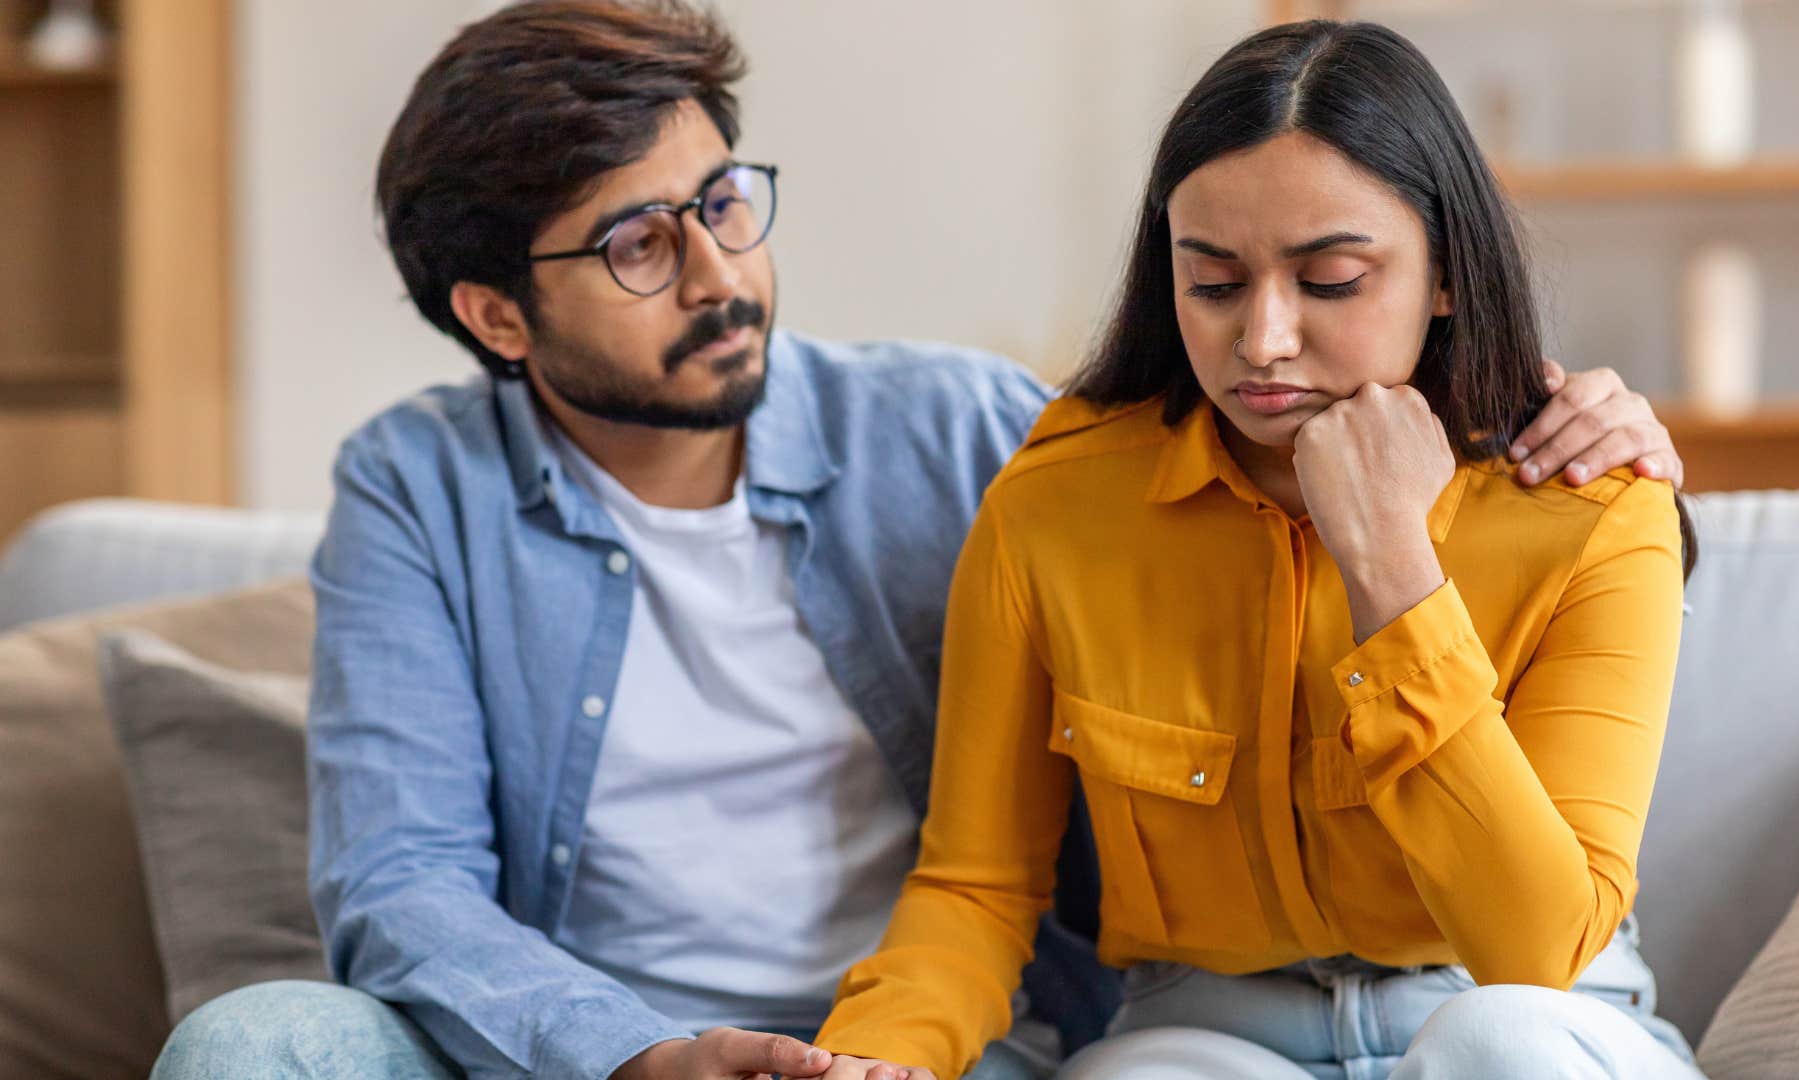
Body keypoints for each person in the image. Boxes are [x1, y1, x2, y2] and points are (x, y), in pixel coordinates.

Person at [150, 5, 1689, 1079]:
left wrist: (1531, 486)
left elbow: (1539, 945)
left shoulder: (961, 429)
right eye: (637, 244)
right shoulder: (422, 492)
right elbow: (401, 884)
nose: (719, 273)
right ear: (497, 315)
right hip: (616, 1043)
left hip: (1011, 1039)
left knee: (1498, 1042)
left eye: (723, 203)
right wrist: (633, 1057)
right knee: (253, 1044)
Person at [811, 19, 1701, 1080]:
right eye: (1214, 283)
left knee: (1497, 1044)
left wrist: (1392, 570)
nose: (1263, 340)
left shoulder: (1591, 507)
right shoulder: (1056, 506)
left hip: (1519, 1016)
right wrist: (860, 1062)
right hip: (1210, 1033)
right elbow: (977, 889)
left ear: (1448, 274)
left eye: (1329, 280)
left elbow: (1536, 953)